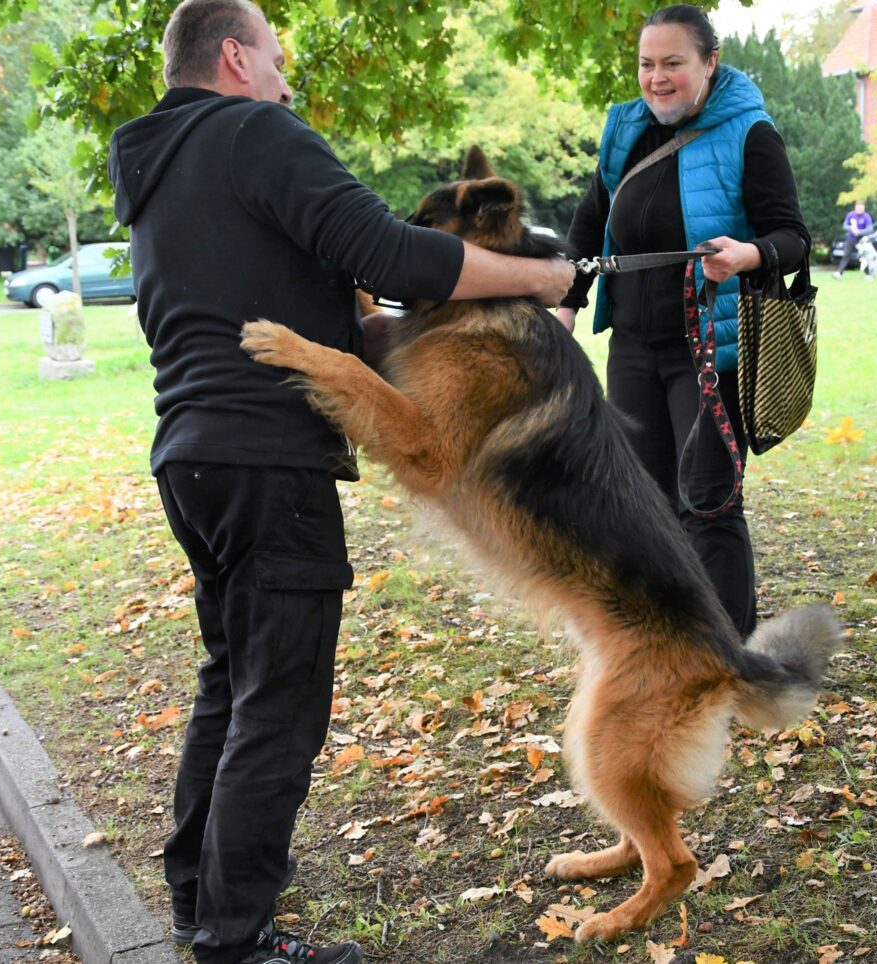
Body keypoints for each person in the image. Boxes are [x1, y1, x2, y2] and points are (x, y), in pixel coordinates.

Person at [107, 2, 573, 963]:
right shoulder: (254, 132)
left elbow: (273, 298)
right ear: (234, 58)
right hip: (269, 461)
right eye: (276, 61)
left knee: (232, 683)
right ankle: (237, 941)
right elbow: (392, 253)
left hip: (191, 456)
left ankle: (200, 900)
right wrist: (536, 280)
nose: (287, 85)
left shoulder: (159, 168)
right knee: (280, 706)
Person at [556, 3, 809, 639]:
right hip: (632, 349)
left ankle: (729, 659)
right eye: (647, 64)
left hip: (711, 352)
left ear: (710, 62)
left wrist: (747, 254)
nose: (656, 77)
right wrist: (566, 303)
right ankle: (668, 649)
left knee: (709, 505)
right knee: (645, 506)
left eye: (673, 63)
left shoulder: (750, 133)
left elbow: (792, 237)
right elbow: (591, 222)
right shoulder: (626, 131)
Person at [832, 201, 873, 278]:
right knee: (846, 255)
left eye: (861, 208)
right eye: (858, 208)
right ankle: (839, 273)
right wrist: (851, 228)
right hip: (851, 239)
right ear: (855, 208)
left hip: (862, 241)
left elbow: (870, 229)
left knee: (864, 257)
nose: (860, 210)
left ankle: (869, 274)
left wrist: (859, 232)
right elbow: (845, 226)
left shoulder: (866, 216)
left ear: (864, 208)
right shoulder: (851, 215)